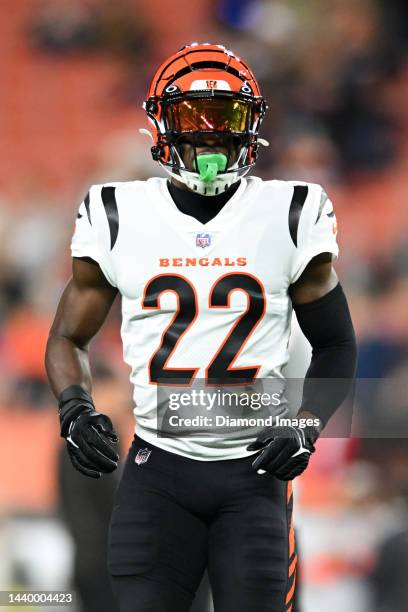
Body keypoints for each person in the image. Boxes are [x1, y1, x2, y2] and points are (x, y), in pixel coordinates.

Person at [45, 43, 357, 612]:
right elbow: (68, 336)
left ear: (253, 123)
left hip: (255, 473)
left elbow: (336, 343)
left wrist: (305, 424)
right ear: (162, 123)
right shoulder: (117, 213)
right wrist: (74, 407)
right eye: (194, 117)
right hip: (157, 471)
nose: (212, 133)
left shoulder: (292, 211)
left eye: (228, 117)